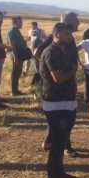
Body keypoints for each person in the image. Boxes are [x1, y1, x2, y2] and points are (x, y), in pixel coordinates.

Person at [39, 23, 81, 178]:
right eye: (65, 34)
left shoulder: (61, 51)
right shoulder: (51, 52)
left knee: (62, 141)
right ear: (56, 34)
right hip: (56, 103)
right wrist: (72, 69)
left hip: (65, 102)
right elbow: (58, 78)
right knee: (57, 144)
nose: (69, 37)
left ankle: (60, 173)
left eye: (69, 34)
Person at [34, 12, 81, 156]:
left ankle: (49, 141)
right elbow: (37, 52)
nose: (79, 22)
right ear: (68, 22)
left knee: (60, 120)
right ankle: (65, 146)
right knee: (62, 120)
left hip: (65, 85)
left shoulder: (68, 38)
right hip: (57, 87)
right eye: (76, 20)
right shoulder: (55, 39)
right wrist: (46, 74)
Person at [7, 16, 29, 96]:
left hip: (19, 54)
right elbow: (12, 46)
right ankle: (13, 91)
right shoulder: (12, 31)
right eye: (19, 22)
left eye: (21, 22)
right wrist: (16, 57)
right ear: (14, 23)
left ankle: (16, 90)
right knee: (15, 73)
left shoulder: (17, 31)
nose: (21, 24)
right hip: (15, 55)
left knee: (18, 72)